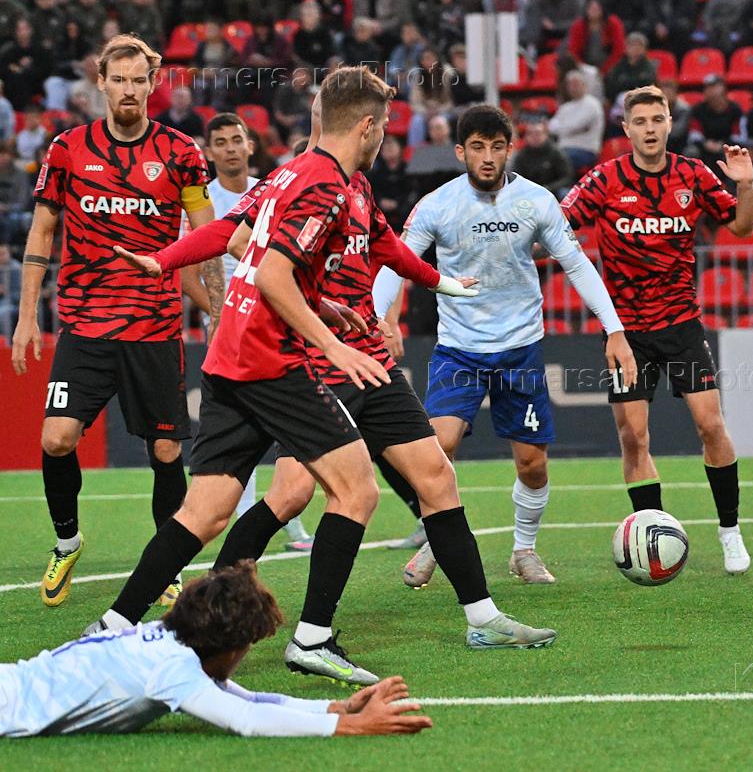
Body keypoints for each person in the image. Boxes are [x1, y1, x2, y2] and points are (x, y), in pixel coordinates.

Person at [94, 70, 555, 683]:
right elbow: (267, 270)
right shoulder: (320, 184)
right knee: (348, 491)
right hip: (281, 358)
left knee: (220, 507)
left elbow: (319, 250)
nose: (386, 136)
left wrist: (424, 287)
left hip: (258, 350)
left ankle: (110, 630)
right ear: (366, 126)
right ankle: (311, 637)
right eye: (383, 126)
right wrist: (332, 343)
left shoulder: (312, 177)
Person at [381, 104, 635, 587]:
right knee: (437, 449)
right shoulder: (437, 204)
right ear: (460, 152)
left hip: (520, 349)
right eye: (477, 147)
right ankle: (438, 539)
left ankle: (524, 550)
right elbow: (396, 261)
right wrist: (380, 318)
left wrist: (615, 329)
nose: (488, 157)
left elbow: (577, 263)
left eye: (497, 147)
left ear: (509, 149)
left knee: (532, 464)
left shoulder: (536, 201)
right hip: (458, 349)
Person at [9, 34, 215, 609]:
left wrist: (220, 309)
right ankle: (67, 542)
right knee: (56, 439)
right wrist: (28, 316)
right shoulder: (67, 149)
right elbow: (42, 232)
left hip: (154, 326)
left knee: (166, 452)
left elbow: (207, 238)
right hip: (85, 324)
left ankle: (166, 564)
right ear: (101, 82)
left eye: (138, 80)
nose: (129, 90)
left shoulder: (181, 152)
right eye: (118, 79)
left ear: (153, 84)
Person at [562, 85, 753, 575]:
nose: (649, 129)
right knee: (634, 437)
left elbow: (741, 228)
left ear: (669, 123)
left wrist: (746, 186)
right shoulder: (604, 179)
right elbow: (560, 225)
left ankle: (730, 530)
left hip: (681, 323)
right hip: (626, 332)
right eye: (640, 122)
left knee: (711, 425)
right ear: (626, 129)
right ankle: (652, 533)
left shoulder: (693, 174)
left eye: (657, 119)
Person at [0, 563, 433, 738]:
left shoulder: (168, 642)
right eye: (248, 645)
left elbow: (248, 699)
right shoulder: (171, 669)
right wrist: (351, 727)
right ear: (228, 646)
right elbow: (246, 720)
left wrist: (336, 707)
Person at [203, 112, 313, 552]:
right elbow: (195, 268)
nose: (231, 148)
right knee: (242, 429)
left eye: (237, 140)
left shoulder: (272, 188)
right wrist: (217, 313)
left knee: (290, 423)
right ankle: (245, 519)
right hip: (231, 327)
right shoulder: (204, 200)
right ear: (209, 151)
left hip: (276, 320)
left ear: (250, 145)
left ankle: (290, 519)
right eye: (221, 142)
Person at [548, 69, 604, 172]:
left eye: (576, 84)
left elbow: (575, 126)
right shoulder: (565, 107)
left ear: (584, 85)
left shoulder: (592, 104)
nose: (573, 88)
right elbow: (551, 127)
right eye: (570, 85)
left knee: (557, 160)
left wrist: (563, 127)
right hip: (563, 148)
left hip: (585, 150)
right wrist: (567, 128)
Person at [511, 117, 575, 200]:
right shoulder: (522, 155)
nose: (534, 137)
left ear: (545, 134)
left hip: (552, 191)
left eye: (538, 133)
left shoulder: (556, 153)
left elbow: (567, 177)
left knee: (564, 193)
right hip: (530, 191)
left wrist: (548, 188)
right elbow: (516, 178)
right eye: (530, 133)